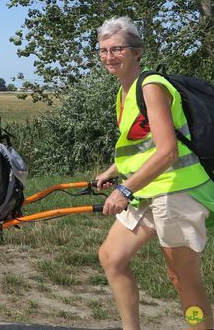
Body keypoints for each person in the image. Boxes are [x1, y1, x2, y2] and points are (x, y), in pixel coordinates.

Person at [94, 17, 214, 330]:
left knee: (183, 280)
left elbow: (167, 151)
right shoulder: (124, 93)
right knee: (111, 257)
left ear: (137, 52)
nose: (109, 56)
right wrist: (113, 170)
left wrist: (124, 189)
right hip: (149, 190)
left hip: (178, 191)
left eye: (117, 49)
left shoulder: (151, 87)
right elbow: (143, 146)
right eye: (103, 50)